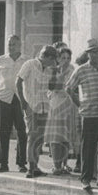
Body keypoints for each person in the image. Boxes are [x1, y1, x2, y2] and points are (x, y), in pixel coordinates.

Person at [66, 39, 98, 193]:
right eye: (93, 52)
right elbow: (69, 88)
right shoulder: (81, 70)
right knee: (88, 147)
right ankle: (86, 178)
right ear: (88, 54)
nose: (96, 54)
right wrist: (80, 103)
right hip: (89, 112)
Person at [16, 45, 59, 178]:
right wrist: (23, 102)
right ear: (47, 57)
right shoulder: (29, 64)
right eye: (53, 59)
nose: (54, 62)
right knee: (33, 136)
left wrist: (54, 74)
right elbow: (18, 82)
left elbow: (51, 87)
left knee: (40, 138)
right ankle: (31, 167)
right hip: (32, 104)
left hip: (44, 106)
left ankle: (35, 166)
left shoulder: (49, 69)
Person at [0, 35, 28, 173]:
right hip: (4, 99)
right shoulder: (1, 60)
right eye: (9, 44)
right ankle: (2, 163)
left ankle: (22, 162)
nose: (11, 47)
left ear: (19, 45)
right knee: (4, 132)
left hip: (20, 99)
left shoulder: (26, 60)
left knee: (22, 132)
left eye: (14, 44)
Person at [43, 46, 78, 175]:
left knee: (66, 136)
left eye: (68, 58)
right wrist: (61, 74)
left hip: (69, 104)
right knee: (56, 136)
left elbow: (74, 87)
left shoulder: (73, 70)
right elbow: (53, 87)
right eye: (63, 57)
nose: (66, 60)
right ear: (58, 58)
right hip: (56, 104)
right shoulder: (52, 70)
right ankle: (56, 165)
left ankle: (64, 164)